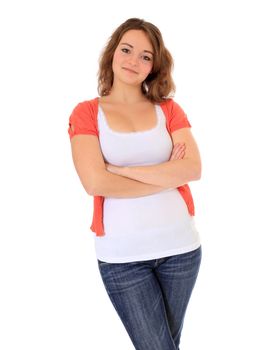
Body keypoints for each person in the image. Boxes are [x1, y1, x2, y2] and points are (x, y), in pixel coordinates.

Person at [68, 17, 202, 350]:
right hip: (123, 258)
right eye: (127, 50)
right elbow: (95, 181)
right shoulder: (86, 113)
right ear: (112, 53)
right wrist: (165, 173)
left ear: (155, 65)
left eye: (146, 55)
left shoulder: (168, 110)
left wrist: (122, 170)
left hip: (181, 251)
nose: (134, 61)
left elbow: (193, 169)